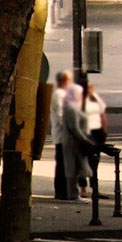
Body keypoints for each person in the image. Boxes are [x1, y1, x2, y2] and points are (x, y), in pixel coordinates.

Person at [58, 73, 92, 200]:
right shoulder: (70, 108)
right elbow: (74, 128)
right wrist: (85, 139)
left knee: (77, 168)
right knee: (71, 167)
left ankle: (75, 192)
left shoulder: (73, 107)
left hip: (76, 141)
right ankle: (72, 194)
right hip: (72, 142)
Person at [51, 70, 74, 199]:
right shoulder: (59, 95)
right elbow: (62, 115)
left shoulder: (63, 94)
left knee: (64, 163)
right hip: (63, 136)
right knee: (63, 164)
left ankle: (64, 191)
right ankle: (62, 191)